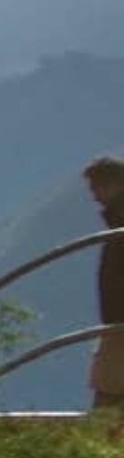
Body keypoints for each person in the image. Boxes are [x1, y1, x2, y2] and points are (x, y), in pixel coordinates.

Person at [86, 157, 122, 417]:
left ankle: (100, 451)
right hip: (116, 323)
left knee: (107, 400)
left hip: (120, 325)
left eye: (97, 187)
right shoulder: (116, 221)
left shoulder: (120, 221)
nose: (95, 197)